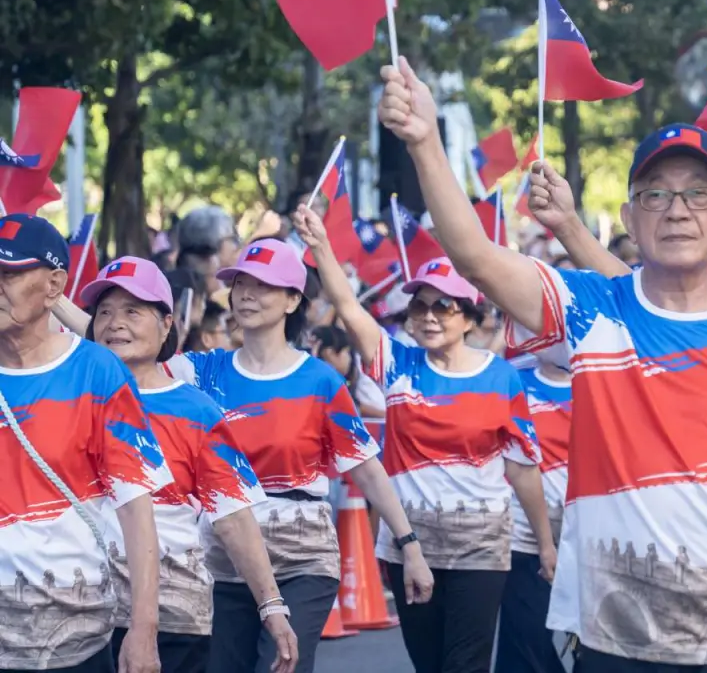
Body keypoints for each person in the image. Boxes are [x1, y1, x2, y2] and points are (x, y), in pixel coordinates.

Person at [379, 57, 707, 673]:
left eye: (699, 194)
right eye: (656, 195)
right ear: (631, 218)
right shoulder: (592, 311)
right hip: (617, 638)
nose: (677, 211)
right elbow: (474, 256)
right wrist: (425, 145)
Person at [295, 212, 555, 673]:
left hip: (482, 547)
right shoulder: (397, 363)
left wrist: (545, 542)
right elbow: (349, 307)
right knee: (430, 664)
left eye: (444, 306)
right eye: (420, 307)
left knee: (466, 664)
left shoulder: (502, 377)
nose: (429, 317)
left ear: (471, 317)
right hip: (409, 545)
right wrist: (321, 248)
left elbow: (521, 468)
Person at [164, 238, 433, 673]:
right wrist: (57, 302)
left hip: (302, 558)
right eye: (241, 284)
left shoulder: (320, 382)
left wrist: (409, 545)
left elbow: (365, 469)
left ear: (293, 300)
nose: (247, 294)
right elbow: (127, 353)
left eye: (263, 286)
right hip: (224, 559)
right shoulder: (203, 371)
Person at [78, 257, 300, 673]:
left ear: (166, 325)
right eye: (103, 312)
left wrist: (271, 604)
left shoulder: (194, 408)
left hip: (173, 615)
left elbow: (232, 514)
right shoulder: (71, 399)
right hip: (82, 615)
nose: (114, 323)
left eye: (132, 311)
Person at [0, 214, 170, 673]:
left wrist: (143, 628)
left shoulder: (99, 373)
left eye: (11, 273)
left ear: (55, 286)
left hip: (74, 641)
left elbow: (137, 510)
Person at [495, 353, 573, 673]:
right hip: (525, 531)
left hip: (592, 530)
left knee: (600, 647)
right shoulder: (510, 378)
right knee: (525, 642)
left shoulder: (605, 376)